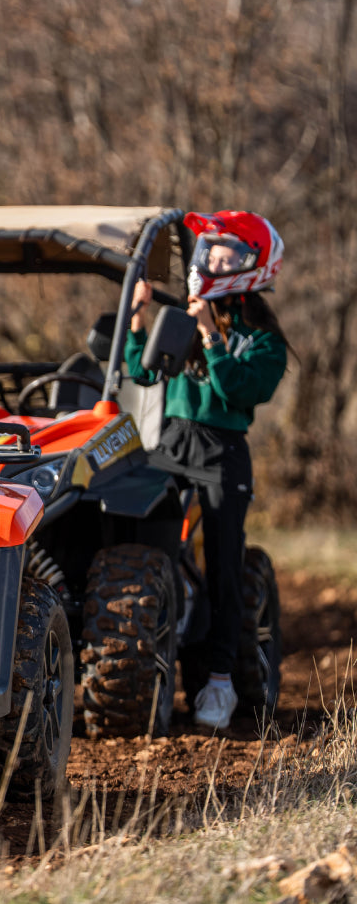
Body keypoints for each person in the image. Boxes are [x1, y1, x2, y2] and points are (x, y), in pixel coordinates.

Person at [125, 210, 288, 730]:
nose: (214, 260)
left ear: (253, 264)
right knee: (143, 541)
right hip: (171, 442)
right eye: (211, 251)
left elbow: (241, 390)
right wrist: (137, 320)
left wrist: (212, 338)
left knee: (223, 564)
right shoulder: (182, 313)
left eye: (227, 255)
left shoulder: (263, 338)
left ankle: (220, 680)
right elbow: (140, 370)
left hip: (223, 452)